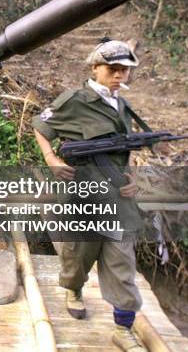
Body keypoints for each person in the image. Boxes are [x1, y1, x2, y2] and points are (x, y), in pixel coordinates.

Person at [32, 38, 147, 352]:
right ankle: (74, 289)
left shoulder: (122, 105)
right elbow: (41, 127)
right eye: (113, 69)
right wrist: (51, 160)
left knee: (122, 261)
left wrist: (131, 176)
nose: (120, 75)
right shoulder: (74, 100)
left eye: (125, 69)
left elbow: (125, 150)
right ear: (95, 67)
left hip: (117, 199)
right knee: (78, 255)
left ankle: (123, 328)